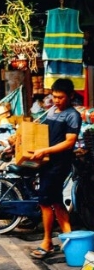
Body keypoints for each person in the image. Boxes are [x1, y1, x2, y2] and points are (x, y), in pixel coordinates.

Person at [29, 78, 81, 260]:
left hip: (59, 164)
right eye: (55, 96)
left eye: (61, 97)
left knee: (45, 201)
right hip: (47, 162)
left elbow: (69, 142)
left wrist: (44, 150)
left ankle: (47, 242)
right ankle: (71, 242)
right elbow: (43, 132)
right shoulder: (51, 111)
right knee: (57, 202)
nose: (57, 100)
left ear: (71, 96)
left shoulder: (72, 115)